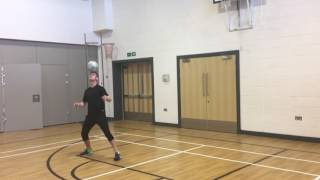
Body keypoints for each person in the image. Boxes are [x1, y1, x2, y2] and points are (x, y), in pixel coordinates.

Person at [74, 71, 120, 161]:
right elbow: (84, 103)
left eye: (93, 75)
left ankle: (117, 152)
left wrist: (106, 98)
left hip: (100, 115)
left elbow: (109, 99)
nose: (91, 75)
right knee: (84, 133)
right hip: (90, 116)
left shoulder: (100, 89)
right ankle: (89, 150)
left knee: (107, 134)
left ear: (97, 78)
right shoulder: (87, 91)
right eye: (90, 75)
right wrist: (78, 104)